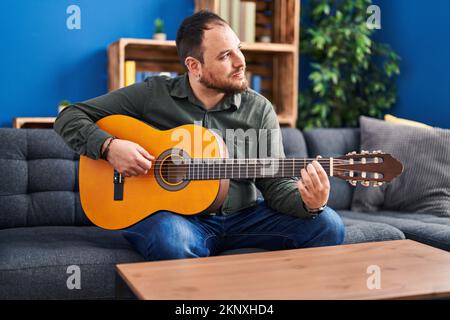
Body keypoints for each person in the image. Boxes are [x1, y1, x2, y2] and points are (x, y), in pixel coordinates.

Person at [54, 11, 344, 261]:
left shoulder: (259, 109)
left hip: (245, 218)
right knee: (171, 237)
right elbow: (69, 116)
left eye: (238, 49)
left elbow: (276, 183)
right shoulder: (152, 94)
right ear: (194, 66)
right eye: (225, 56)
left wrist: (309, 201)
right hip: (178, 219)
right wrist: (109, 146)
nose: (241, 61)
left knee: (328, 224)